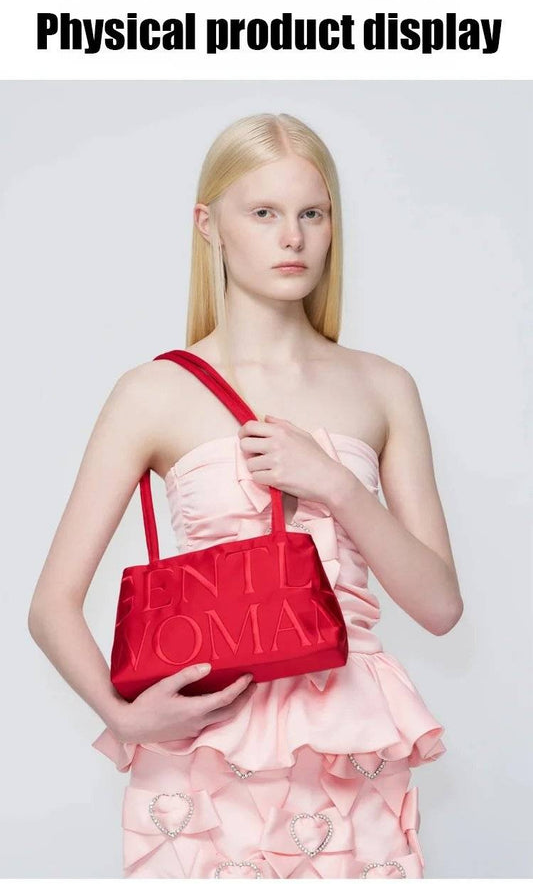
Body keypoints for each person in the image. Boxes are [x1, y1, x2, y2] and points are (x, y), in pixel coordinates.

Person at [28, 112, 463, 879]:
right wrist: (125, 717)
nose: (292, 238)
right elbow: (51, 604)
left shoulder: (383, 386)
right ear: (208, 224)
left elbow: (439, 606)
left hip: (350, 732)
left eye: (312, 214)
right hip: (209, 739)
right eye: (263, 212)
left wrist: (334, 484)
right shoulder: (152, 392)